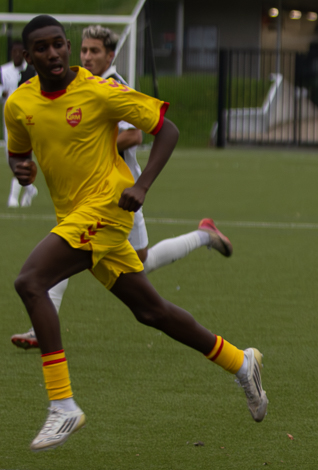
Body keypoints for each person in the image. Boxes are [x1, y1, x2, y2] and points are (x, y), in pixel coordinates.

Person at [6, 15, 267, 452]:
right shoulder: (18, 104)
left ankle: (62, 405)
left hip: (107, 209)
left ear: (67, 47)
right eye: (41, 48)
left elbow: (167, 128)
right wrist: (22, 170)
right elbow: (21, 160)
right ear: (27, 56)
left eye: (58, 45)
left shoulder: (97, 90)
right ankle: (240, 362)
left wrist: (141, 185)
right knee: (152, 311)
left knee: (30, 281)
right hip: (73, 216)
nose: (52, 53)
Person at [9, 24, 234, 350]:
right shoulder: (63, 87)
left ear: (110, 55)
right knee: (62, 254)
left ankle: (203, 236)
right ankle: (40, 324)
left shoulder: (109, 87)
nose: (87, 56)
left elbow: (136, 135)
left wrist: (88, 136)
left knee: (131, 265)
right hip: (85, 199)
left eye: (94, 51)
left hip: (120, 196)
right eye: (84, 50)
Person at [1, 38, 36, 207]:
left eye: (19, 52)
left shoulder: (31, 71)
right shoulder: (3, 70)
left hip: (26, 120)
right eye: (13, 51)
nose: (16, 55)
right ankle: (29, 189)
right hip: (8, 120)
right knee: (11, 158)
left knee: (21, 156)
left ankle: (13, 197)